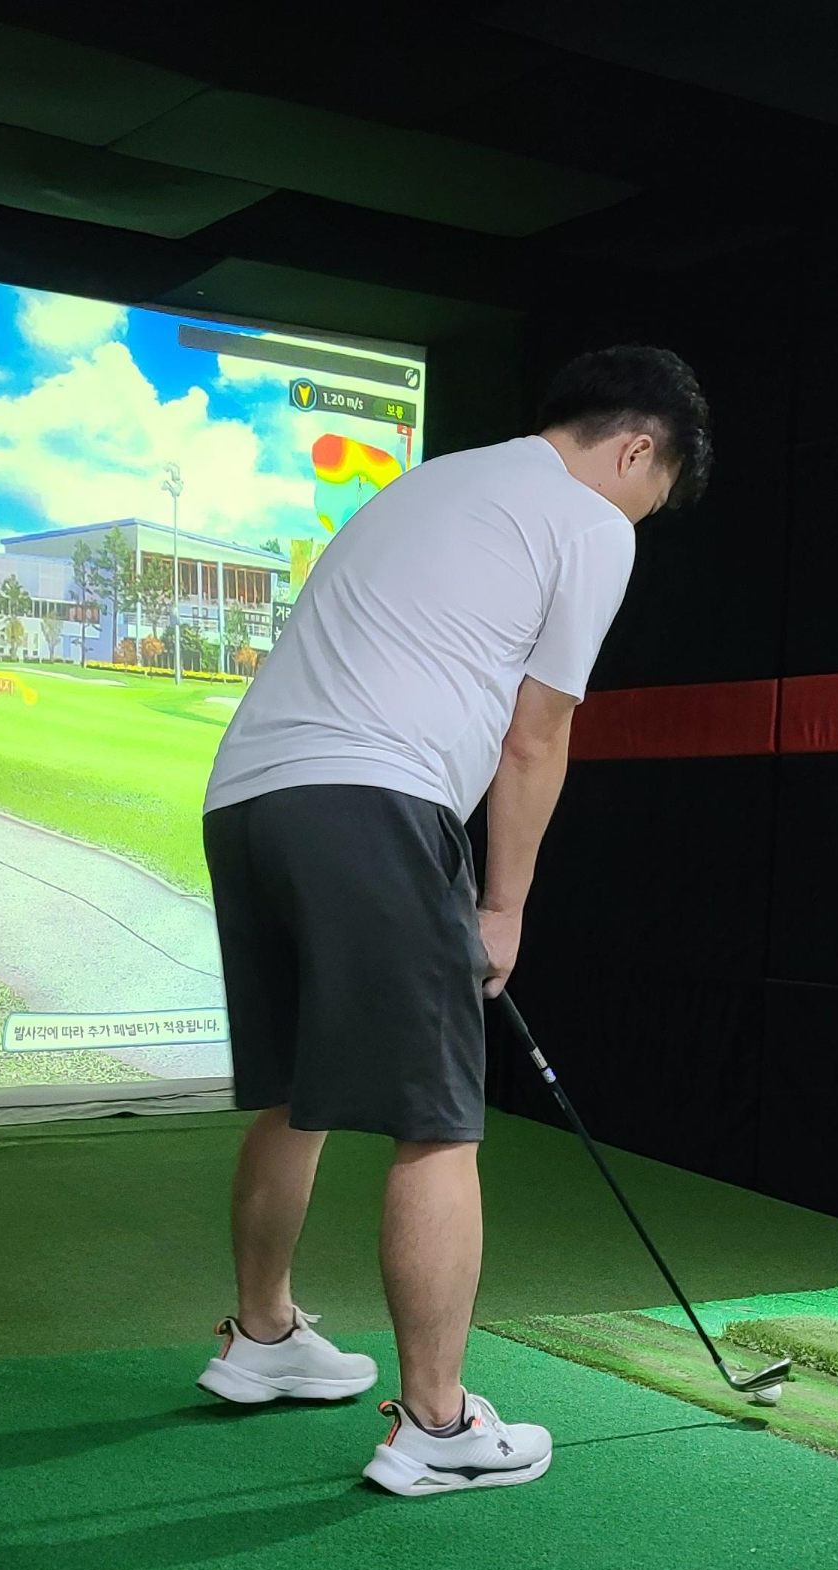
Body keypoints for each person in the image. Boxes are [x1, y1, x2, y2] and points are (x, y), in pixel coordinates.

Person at [196, 344, 712, 1497]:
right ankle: (438, 1422)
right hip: (373, 800)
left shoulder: (428, 482)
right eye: (654, 491)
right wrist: (504, 906)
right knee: (438, 1122)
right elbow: (537, 734)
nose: (643, 514)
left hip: (249, 801)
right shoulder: (591, 522)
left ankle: (265, 1336)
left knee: (299, 1092)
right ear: (637, 450)